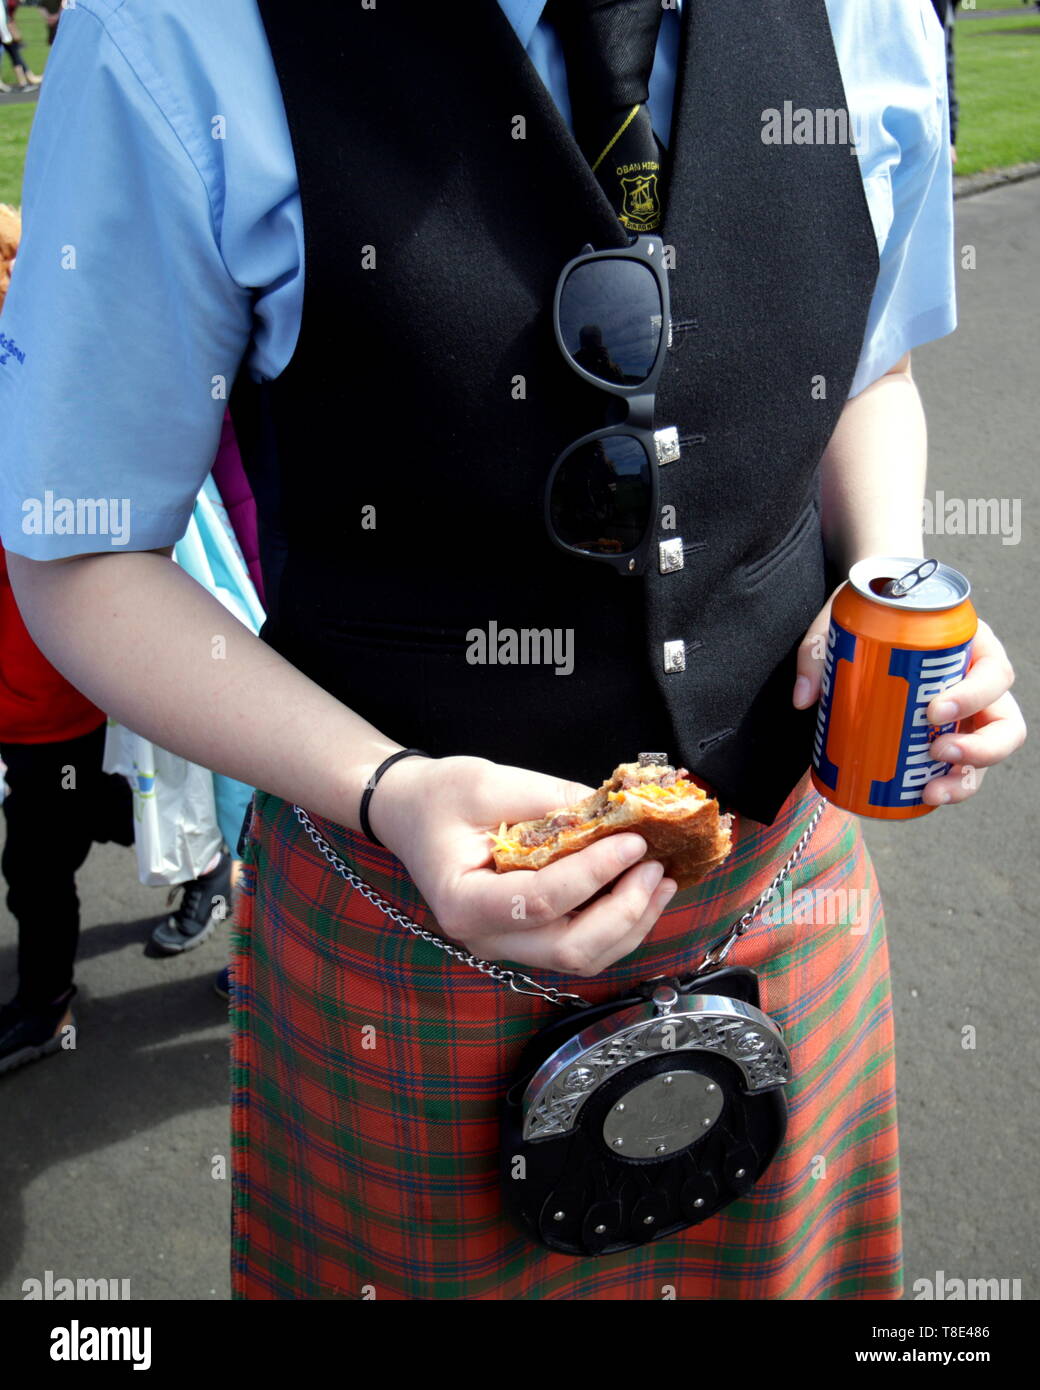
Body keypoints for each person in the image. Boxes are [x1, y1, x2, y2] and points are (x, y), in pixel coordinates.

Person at [0, 0, 1025, 1300]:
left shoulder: (869, 10)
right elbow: (81, 551)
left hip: (783, 897)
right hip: (401, 938)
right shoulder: (173, 31)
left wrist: (889, 578)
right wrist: (391, 788)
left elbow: (865, 364)